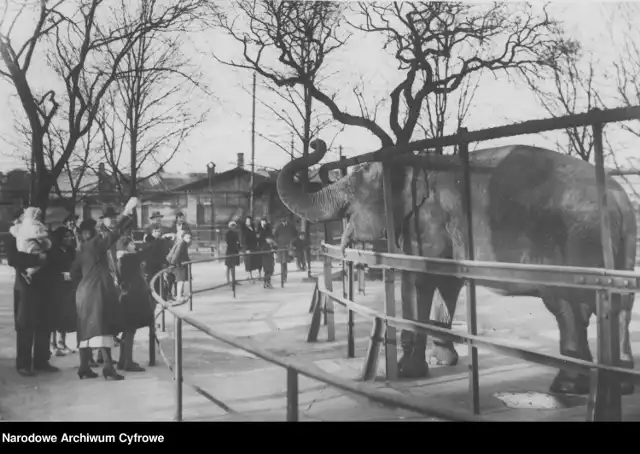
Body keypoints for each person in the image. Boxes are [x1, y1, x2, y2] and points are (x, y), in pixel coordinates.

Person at [72, 197, 139, 381]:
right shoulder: (94, 244)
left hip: (82, 293)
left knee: (86, 329)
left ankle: (84, 366)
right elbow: (115, 233)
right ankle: (108, 367)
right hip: (97, 292)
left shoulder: (81, 249)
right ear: (90, 232)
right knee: (103, 328)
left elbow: (73, 272)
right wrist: (126, 212)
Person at [5, 208, 58, 377]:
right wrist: (37, 259)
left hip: (44, 284)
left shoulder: (41, 233)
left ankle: (41, 360)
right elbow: (13, 259)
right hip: (26, 285)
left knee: (44, 323)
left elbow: (53, 254)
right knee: (26, 324)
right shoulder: (13, 236)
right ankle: (24, 364)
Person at [115, 236, 155, 372]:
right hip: (134, 296)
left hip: (125, 294)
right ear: (126, 246)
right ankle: (128, 361)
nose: (134, 246)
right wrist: (152, 241)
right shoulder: (129, 258)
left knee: (126, 331)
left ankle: (122, 360)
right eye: (132, 244)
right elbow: (146, 252)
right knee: (131, 330)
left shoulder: (120, 259)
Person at [49, 227, 78, 358]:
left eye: (69, 236)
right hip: (55, 286)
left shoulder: (71, 250)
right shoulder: (52, 251)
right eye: (65, 236)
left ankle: (62, 342)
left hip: (68, 286)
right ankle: (53, 344)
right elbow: (49, 268)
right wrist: (61, 275)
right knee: (54, 314)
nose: (68, 238)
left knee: (65, 315)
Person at [12, 206, 52, 284]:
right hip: (33, 251)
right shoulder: (35, 226)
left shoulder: (21, 227)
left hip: (22, 250)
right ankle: (29, 273)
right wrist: (46, 236)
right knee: (43, 261)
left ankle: (26, 272)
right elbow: (40, 238)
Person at [166, 228, 192, 302]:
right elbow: (177, 254)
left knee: (180, 281)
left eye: (190, 238)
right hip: (178, 264)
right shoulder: (182, 243)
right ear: (183, 237)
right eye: (187, 237)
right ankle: (178, 296)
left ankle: (178, 296)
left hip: (178, 263)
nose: (189, 239)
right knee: (180, 281)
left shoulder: (181, 243)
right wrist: (174, 264)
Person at [274, 216, 298, 283]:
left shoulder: (291, 226)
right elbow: (275, 236)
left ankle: (285, 276)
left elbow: (296, 234)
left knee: (285, 262)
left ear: (286, 220)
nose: (283, 221)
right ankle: (283, 277)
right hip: (281, 246)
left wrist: (292, 241)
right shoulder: (278, 227)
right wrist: (278, 242)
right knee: (282, 262)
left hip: (288, 246)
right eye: (282, 221)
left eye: (284, 220)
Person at [241, 216, 261, 281]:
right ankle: (250, 276)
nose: (248, 222)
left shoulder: (253, 228)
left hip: (254, 247)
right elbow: (243, 239)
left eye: (249, 221)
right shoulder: (244, 229)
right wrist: (246, 249)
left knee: (256, 261)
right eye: (247, 221)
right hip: (247, 248)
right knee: (249, 262)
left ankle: (258, 275)